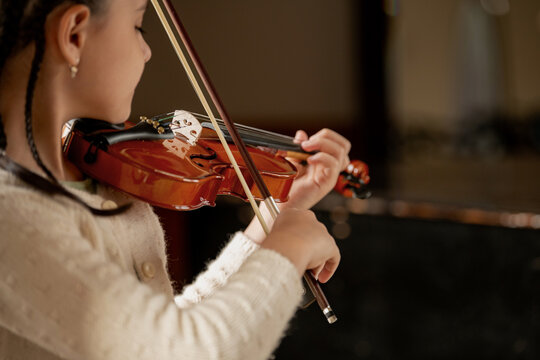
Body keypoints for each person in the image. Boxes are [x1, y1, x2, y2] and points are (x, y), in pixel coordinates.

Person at [0, 0, 351, 359]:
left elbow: (159, 335)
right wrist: (286, 251)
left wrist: (275, 217)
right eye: (139, 26)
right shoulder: (11, 217)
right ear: (74, 34)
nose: (148, 51)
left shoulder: (100, 181)